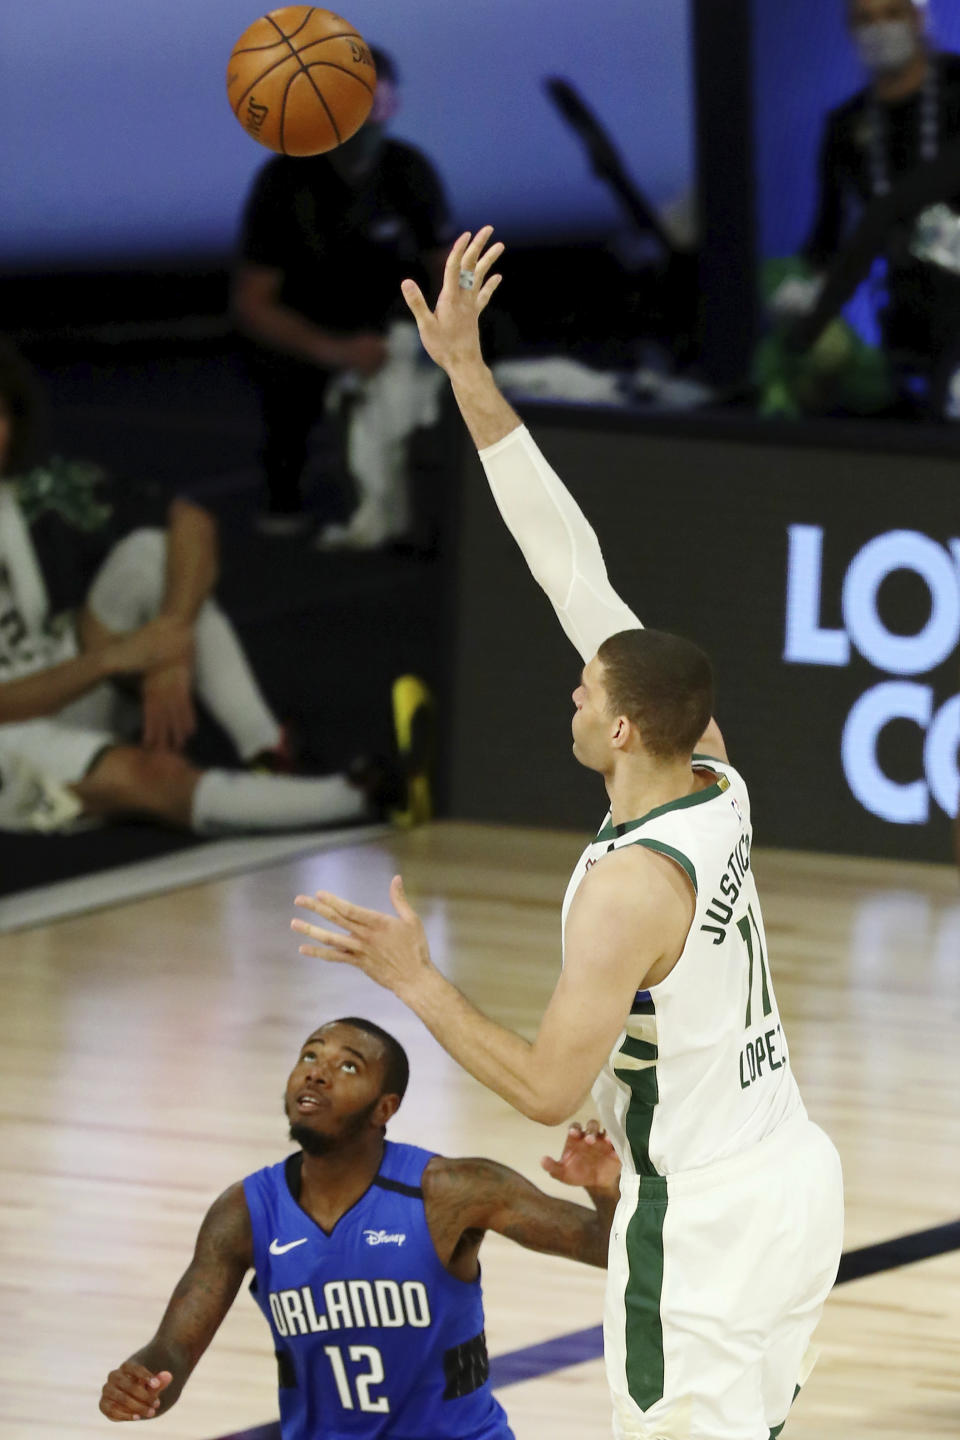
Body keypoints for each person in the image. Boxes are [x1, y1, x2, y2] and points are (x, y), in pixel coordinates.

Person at [290, 230, 846, 1440]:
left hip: (703, 1221)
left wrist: (413, 980)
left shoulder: (629, 886)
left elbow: (545, 1090)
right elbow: (569, 565)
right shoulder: (717, 776)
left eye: (589, 691)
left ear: (630, 721)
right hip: (792, 1182)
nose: (573, 693)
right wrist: (468, 374)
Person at [98, 1016, 621, 1432]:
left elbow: (610, 1247)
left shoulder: (454, 1191)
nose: (316, 1072)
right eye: (309, 1055)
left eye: (348, 1067)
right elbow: (172, 1354)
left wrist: (605, 1190)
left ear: (384, 1108)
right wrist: (141, 1385)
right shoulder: (244, 1213)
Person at [0, 340, 403, 836]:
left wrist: (169, 642)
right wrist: (111, 660)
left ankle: (266, 750)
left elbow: (191, 521)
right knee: (153, 779)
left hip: (61, 681)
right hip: (8, 727)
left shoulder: (35, 490)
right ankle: (359, 796)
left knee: (152, 552)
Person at [233, 47, 455, 543]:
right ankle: (284, 487)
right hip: (313, 332)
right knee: (281, 374)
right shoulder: (282, 182)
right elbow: (253, 302)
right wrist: (336, 351)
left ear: (392, 106)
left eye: (375, 103)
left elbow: (449, 269)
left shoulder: (410, 171)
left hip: (400, 330)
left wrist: (445, 332)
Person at [794, 0, 960, 412]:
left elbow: (886, 211)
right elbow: (825, 240)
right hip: (906, 322)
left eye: (891, 14)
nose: (879, 30)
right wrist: (799, 296)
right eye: (864, 20)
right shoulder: (846, 126)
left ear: (918, 19)